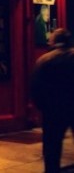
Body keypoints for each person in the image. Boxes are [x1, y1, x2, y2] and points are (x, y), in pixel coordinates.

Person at [30, 28, 74, 173]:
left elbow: (36, 87)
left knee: (52, 148)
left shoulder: (44, 60)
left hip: (53, 110)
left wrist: (41, 108)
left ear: (53, 41)